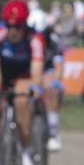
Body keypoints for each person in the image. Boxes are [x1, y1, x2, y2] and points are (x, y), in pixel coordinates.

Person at [0, 0, 46, 165]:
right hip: (0, 76)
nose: (14, 31)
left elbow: (36, 73)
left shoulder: (35, 38)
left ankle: (26, 152)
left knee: (23, 100)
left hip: (23, 75)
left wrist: (34, 88)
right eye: (10, 26)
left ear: (25, 25)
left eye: (19, 27)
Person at [28, 8, 65, 151]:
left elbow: (58, 66)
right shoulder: (26, 35)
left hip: (47, 69)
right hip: (29, 69)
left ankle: (53, 131)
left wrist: (56, 79)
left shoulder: (54, 38)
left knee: (51, 87)